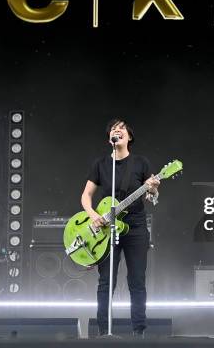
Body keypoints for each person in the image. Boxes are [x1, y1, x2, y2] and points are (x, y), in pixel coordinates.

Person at [81, 119, 160, 337]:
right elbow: (86, 196)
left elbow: (150, 196)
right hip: (107, 228)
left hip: (135, 226)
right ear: (110, 139)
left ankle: (139, 331)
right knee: (106, 282)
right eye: (113, 129)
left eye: (122, 128)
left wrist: (153, 190)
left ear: (129, 137)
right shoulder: (101, 165)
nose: (117, 130)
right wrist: (94, 216)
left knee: (137, 280)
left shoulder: (141, 163)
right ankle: (103, 330)